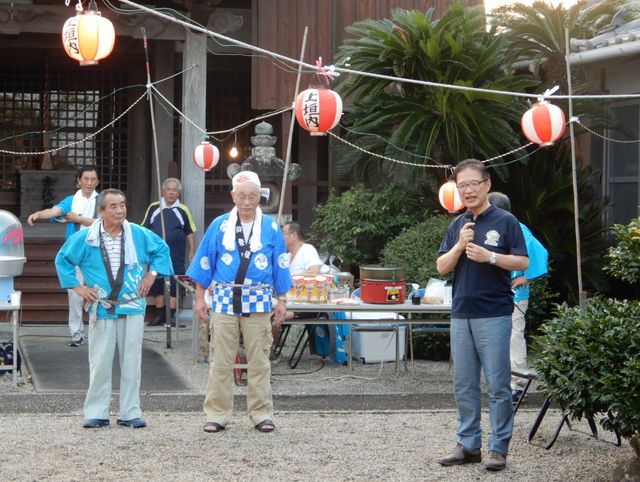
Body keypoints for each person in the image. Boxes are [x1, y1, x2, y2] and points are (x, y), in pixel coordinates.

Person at [436, 159, 528, 472]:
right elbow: (441, 267)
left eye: (473, 183)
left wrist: (490, 256)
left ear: (487, 184)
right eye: (462, 186)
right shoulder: (457, 226)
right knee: (464, 385)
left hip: (494, 313)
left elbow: (523, 262)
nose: (468, 190)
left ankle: (498, 448)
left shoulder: (506, 221)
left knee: (499, 385)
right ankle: (468, 445)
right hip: (461, 313)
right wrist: (460, 246)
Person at [55, 189, 173, 429]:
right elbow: (63, 259)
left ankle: (130, 412)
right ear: (101, 211)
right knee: (99, 360)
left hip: (132, 304)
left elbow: (162, 250)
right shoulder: (87, 237)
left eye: (123, 205)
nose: (120, 210)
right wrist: (77, 287)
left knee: (132, 360)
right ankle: (97, 411)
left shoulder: (137, 234)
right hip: (102, 305)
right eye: (113, 206)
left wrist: (151, 274)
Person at [187, 171, 292, 434]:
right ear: (233, 196)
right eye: (242, 196)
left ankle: (261, 414)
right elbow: (205, 262)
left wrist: (282, 300)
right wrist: (200, 298)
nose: (247, 201)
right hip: (223, 299)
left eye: (253, 196)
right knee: (221, 360)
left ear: (260, 197)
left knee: (259, 360)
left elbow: (280, 264)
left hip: (258, 299)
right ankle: (217, 413)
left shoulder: (270, 227)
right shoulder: (219, 225)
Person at [27, 166, 100, 347]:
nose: (89, 183)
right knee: (74, 294)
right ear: (79, 180)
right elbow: (55, 211)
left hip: (97, 253)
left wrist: (79, 219)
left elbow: (105, 222)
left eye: (93, 179)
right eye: (86, 179)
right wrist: (38, 214)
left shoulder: (102, 201)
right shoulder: (71, 200)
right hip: (75, 253)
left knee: (98, 294)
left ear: (97, 181)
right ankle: (76, 333)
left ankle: (98, 333)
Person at [487, 192, 549, 403]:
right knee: (496, 338)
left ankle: (517, 384)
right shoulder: (493, 228)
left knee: (513, 336)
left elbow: (540, 253)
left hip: (514, 294)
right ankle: (503, 383)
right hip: (494, 293)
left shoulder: (519, 228)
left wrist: (526, 278)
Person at [141, 178, 197, 327]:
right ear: (163, 191)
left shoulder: (183, 210)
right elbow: (144, 230)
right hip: (156, 255)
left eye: (175, 190)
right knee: (157, 282)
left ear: (178, 193)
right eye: (169, 189)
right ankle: (160, 316)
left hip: (176, 255)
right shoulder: (154, 207)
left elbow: (189, 233)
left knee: (174, 283)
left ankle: (171, 317)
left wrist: (192, 251)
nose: (171, 192)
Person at [272, 222, 324, 346]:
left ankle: (268, 352)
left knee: (273, 317)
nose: (280, 237)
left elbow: (314, 271)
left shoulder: (307, 249)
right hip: (287, 300)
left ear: (294, 235)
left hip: (306, 303)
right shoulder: (286, 256)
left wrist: (290, 279)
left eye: (283, 233)